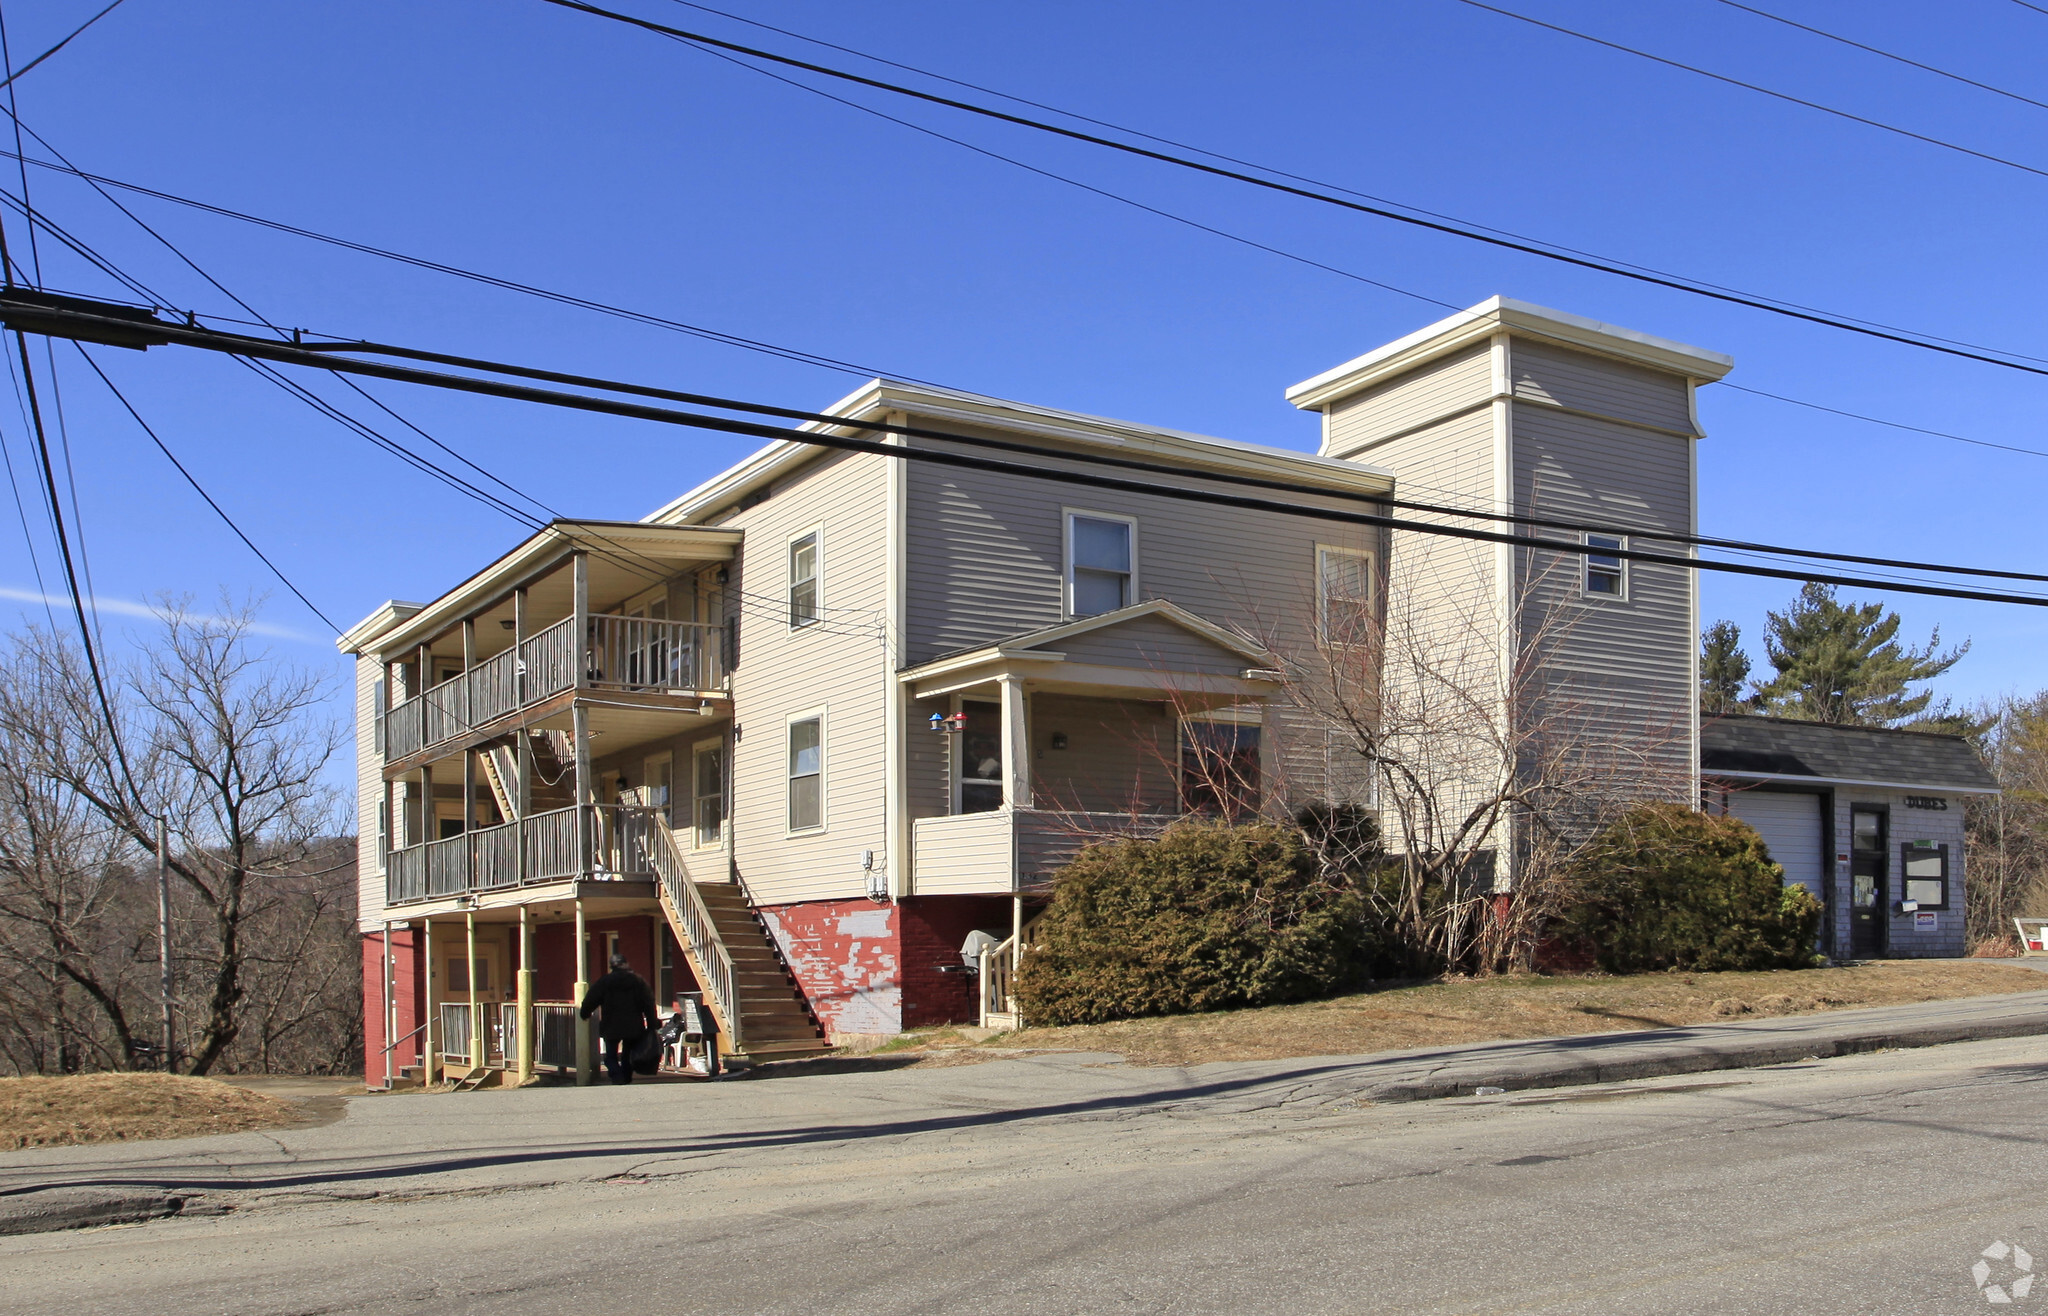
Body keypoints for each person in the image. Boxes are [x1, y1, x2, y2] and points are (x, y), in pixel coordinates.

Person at [578, 953, 659, 1085]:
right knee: (627, 1053)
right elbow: (648, 1003)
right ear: (625, 964)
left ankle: (616, 1075)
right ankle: (626, 1076)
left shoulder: (605, 981)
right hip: (633, 1024)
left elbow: (591, 999)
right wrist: (652, 1023)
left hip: (611, 1024)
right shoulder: (638, 981)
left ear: (612, 966)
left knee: (610, 1055)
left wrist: (584, 1013)